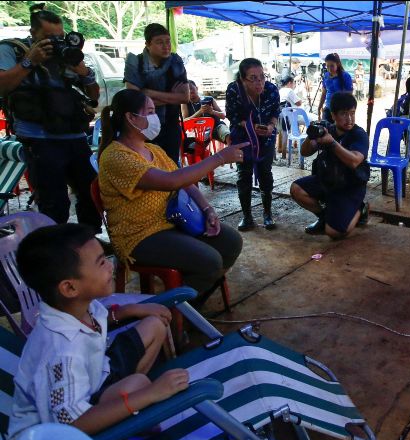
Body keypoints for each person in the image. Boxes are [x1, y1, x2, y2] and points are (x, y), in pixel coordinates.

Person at [9, 223, 190, 440]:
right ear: (70, 287)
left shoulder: (77, 306)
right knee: (137, 385)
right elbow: (71, 425)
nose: (111, 265)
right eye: (101, 262)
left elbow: (101, 318)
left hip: (94, 377)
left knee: (154, 326)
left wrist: (133, 310)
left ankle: (127, 412)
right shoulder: (62, 352)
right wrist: (149, 395)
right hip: (55, 435)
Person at [98, 89, 245, 302]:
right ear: (130, 117)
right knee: (209, 261)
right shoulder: (115, 156)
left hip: (173, 221)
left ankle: (190, 304)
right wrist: (220, 157)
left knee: (230, 242)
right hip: (139, 235)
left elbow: (184, 182)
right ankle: (167, 313)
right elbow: (171, 182)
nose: (155, 117)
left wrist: (207, 209)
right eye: (149, 111)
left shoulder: (152, 149)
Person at [0, 5, 101, 231]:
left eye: (59, 37)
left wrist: (83, 71)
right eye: (47, 37)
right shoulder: (12, 49)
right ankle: (55, 254)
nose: (55, 42)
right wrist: (29, 61)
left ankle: (88, 242)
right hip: (39, 136)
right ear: (33, 33)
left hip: (73, 134)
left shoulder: (64, 54)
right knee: (54, 201)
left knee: (91, 193)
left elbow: (94, 95)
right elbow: (2, 85)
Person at [291, 92, 370, 239]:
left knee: (334, 233)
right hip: (328, 180)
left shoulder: (359, 134)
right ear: (333, 115)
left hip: (350, 187)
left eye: (352, 113)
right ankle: (324, 218)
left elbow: (354, 161)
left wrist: (332, 143)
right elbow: (305, 152)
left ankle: (360, 210)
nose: (349, 119)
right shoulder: (328, 129)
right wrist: (312, 136)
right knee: (296, 189)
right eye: (344, 114)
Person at [225, 58, 281, 231]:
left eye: (262, 77)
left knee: (265, 172)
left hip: (266, 138)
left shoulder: (271, 90)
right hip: (242, 136)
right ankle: (247, 216)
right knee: (244, 174)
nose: (259, 82)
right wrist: (250, 127)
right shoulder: (234, 90)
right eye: (253, 78)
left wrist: (271, 126)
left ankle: (267, 214)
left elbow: (275, 113)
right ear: (242, 79)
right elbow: (232, 115)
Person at [124, 23, 189, 165]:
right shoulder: (135, 62)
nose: (166, 46)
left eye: (167, 41)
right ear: (147, 44)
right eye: (159, 42)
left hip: (171, 125)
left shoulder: (175, 61)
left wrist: (148, 93)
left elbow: (185, 97)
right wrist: (172, 96)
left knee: (171, 167)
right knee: (149, 167)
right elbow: (135, 100)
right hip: (143, 127)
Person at [182, 80, 230, 145]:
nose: (190, 91)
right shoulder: (185, 103)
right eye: (187, 90)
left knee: (227, 133)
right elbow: (184, 121)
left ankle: (233, 151)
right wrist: (200, 112)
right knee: (190, 144)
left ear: (197, 88)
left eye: (191, 88)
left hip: (215, 128)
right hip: (196, 132)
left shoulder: (209, 99)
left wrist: (212, 112)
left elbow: (223, 116)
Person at [317, 53, 353, 123]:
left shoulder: (345, 76)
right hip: (328, 108)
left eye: (332, 66)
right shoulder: (326, 76)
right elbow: (324, 93)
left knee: (338, 132)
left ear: (338, 64)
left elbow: (350, 95)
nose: (329, 69)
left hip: (341, 110)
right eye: (327, 66)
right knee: (325, 130)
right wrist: (319, 107)